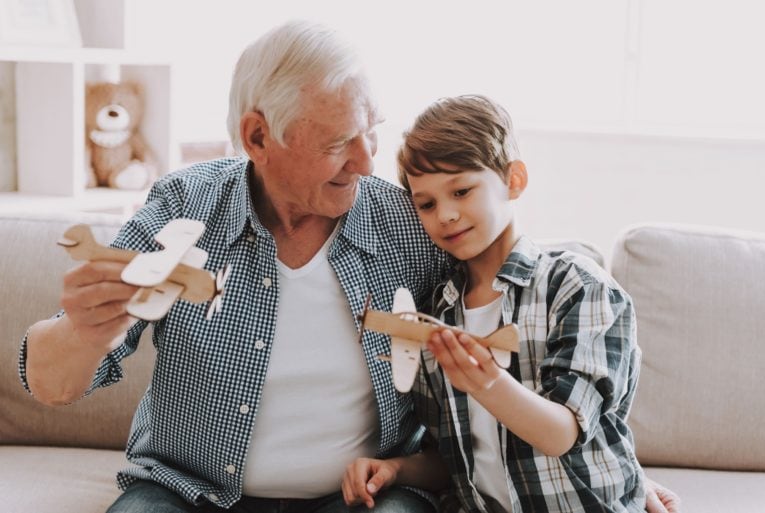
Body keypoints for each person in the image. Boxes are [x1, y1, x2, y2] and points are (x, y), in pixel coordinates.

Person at [20, 20, 678, 513]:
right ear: (258, 137)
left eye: (373, 131)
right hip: (188, 490)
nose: (367, 163)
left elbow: (534, 303)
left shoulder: (407, 221)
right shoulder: (186, 205)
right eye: (339, 143)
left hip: (362, 496)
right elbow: (51, 381)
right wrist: (84, 326)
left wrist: (616, 469)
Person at [341, 95, 682, 513]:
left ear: (513, 180)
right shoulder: (438, 310)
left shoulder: (577, 287)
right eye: (426, 204)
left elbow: (562, 433)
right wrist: (395, 469)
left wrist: (487, 383)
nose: (445, 214)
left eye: (462, 191)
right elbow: (456, 459)